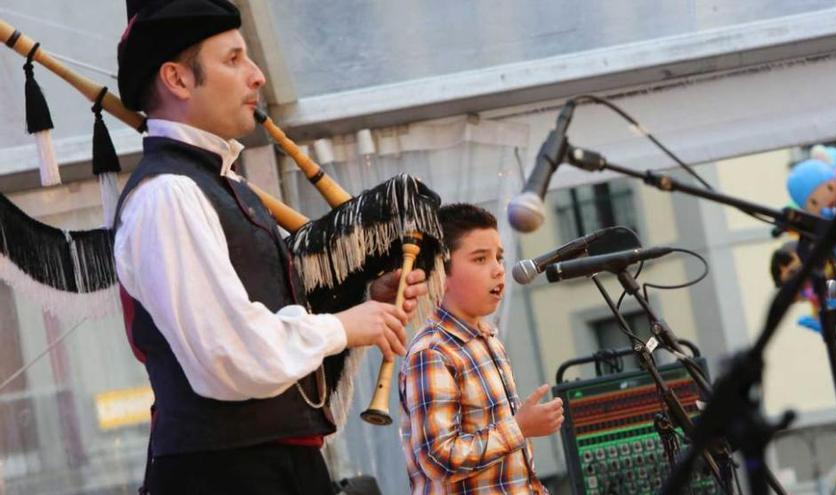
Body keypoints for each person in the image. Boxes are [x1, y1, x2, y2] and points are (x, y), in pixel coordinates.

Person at [112, 1, 427, 493]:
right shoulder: (169, 195)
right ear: (177, 79)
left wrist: (364, 307)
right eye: (234, 59)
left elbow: (257, 320)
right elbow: (229, 357)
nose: (257, 76)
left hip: (267, 466)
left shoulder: (218, 183)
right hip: (224, 474)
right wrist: (343, 327)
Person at [398, 203, 564, 494]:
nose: (498, 270)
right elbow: (438, 459)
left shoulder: (489, 339)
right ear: (440, 272)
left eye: (499, 257)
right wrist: (519, 428)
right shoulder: (432, 352)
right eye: (480, 259)